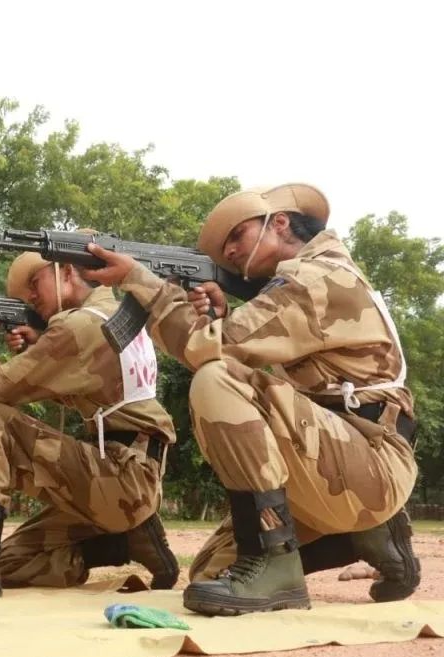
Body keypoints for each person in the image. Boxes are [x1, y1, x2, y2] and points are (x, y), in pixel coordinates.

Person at [81, 183, 420, 616]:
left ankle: (279, 565)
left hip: (370, 460)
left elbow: (211, 349)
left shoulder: (314, 278)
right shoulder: (305, 280)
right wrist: (222, 316)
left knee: (216, 377)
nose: (230, 253)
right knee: (209, 572)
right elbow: (247, 343)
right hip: (333, 458)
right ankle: (364, 535)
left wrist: (140, 280)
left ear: (279, 223)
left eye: (237, 237)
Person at [0, 250, 179, 598]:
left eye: (34, 282)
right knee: (8, 563)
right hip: (124, 478)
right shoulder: (111, 317)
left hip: (122, 478)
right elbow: (86, 390)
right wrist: (35, 353)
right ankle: (124, 543)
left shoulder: (79, 325)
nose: (30, 296)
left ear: (66, 272)